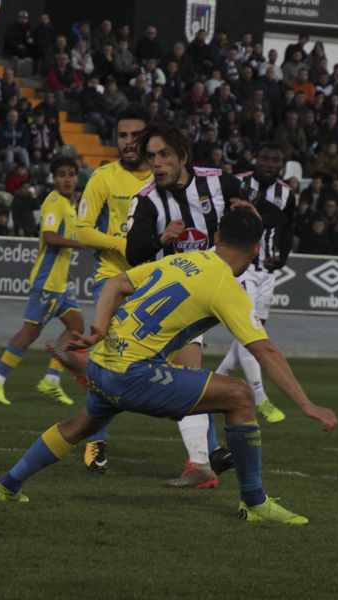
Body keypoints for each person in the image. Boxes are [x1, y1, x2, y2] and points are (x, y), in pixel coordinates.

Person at [0, 209, 338, 525]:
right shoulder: (226, 286)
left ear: (216, 239)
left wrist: (98, 328)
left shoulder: (184, 260)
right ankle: (255, 502)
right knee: (241, 396)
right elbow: (265, 350)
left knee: (81, 424)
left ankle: (7, 485)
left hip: (102, 362)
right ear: (256, 250)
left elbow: (116, 282)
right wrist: (307, 405)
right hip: (133, 375)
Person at [120, 122, 257, 487]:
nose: (157, 163)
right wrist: (160, 238)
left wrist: (250, 212)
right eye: (151, 157)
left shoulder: (221, 183)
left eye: (164, 154)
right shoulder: (147, 199)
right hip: (168, 296)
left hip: (208, 292)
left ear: (183, 156)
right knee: (163, 376)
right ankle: (207, 453)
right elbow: (134, 253)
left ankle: (202, 461)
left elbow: (251, 219)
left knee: (184, 377)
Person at [69, 103, 154, 473]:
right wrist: (126, 247)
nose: (129, 142)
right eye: (123, 135)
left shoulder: (163, 176)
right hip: (112, 281)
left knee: (182, 359)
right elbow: (82, 230)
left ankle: (204, 452)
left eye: (136, 135)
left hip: (157, 282)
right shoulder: (104, 176)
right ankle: (95, 442)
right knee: (105, 363)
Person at [0, 158, 87, 406]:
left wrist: (65, 269)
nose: (68, 179)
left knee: (77, 325)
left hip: (59, 281)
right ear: (53, 179)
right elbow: (49, 237)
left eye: (72, 174)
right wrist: (81, 244)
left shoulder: (70, 203)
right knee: (30, 331)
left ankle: (50, 380)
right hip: (47, 283)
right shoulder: (53, 202)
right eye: (62, 175)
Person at [215, 142, 294, 426]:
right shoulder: (239, 183)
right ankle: (260, 398)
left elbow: (287, 224)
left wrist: (282, 258)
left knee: (248, 334)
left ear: (281, 165)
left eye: (275, 159)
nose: (270, 163)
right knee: (250, 332)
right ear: (256, 159)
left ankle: (214, 385)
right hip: (241, 267)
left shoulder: (286, 193)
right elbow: (274, 216)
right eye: (265, 157)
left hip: (266, 274)